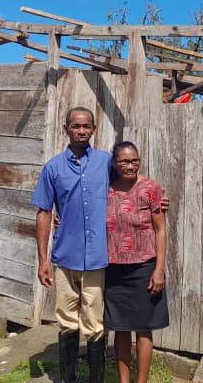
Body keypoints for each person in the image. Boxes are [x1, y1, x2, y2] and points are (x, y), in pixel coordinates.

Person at [32, 107, 169, 383]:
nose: (81, 131)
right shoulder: (53, 168)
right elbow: (44, 213)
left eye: (86, 126)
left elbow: (130, 172)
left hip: (97, 259)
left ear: (93, 129)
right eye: (75, 126)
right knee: (67, 321)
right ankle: (69, 377)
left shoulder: (106, 162)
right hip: (65, 257)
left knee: (95, 323)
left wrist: (155, 196)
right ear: (66, 128)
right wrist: (43, 260)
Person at [103, 141, 169, 383]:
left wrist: (159, 269)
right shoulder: (106, 188)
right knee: (119, 327)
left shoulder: (150, 189)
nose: (129, 166)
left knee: (143, 327)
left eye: (134, 161)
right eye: (124, 161)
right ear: (114, 164)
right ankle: (124, 380)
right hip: (113, 269)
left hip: (143, 267)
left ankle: (141, 381)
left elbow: (160, 229)